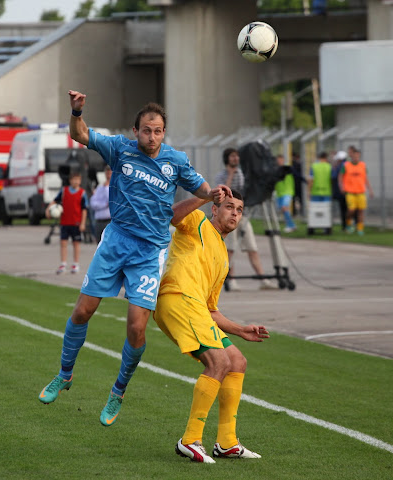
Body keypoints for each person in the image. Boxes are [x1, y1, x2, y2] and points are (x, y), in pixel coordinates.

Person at [38, 90, 230, 427]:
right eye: (146, 130)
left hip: (149, 253)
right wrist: (76, 110)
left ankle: (118, 391)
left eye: (158, 131)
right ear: (135, 131)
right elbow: (79, 134)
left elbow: (199, 187)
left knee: (137, 328)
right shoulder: (119, 149)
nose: (152, 136)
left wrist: (212, 193)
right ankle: (64, 374)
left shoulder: (176, 161)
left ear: (163, 133)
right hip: (115, 242)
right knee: (83, 310)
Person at [152, 190, 269, 463]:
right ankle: (190, 440)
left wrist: (240, 329)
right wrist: (205, 196)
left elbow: (211, 309)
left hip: (197, 309)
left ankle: (227, 443)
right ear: (215, 210)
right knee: (218, 362)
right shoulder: (198, 222)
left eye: (239, 209)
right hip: (177, 299)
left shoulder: (224, 258)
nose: (235, 213)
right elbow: (170, 215)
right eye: (229, 207)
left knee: (236, 361)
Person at [214, 148, 277, 291]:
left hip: (242, 216)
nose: (235, 159)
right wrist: (230, 176)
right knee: (230, 249)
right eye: (232, 156)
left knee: (252, 248)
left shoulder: (243, 175)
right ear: (227, 159)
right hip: (227, 218)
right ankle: (230, 279)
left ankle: (263, 279)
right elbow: (224, 194)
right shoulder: (221, 176)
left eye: (237, 156)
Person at [46, 171, 88, 274]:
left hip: (76, 222)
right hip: (65, 222)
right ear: (70, 181)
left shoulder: (82, 193)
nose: (76, 181)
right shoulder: (64, 191)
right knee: (63, 243)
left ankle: (75, 264)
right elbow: (55, 201)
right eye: (74, 179)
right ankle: (63, 263)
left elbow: (84, 209)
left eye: (78, 180)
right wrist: (48, 209)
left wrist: (82, 223)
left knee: (76, 243)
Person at [338, 145, 374, 235]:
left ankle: (360, 228)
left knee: (361, 210)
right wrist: (341, 187)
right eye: (355, 156)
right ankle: (349, 224)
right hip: (350, 192)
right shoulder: (346, 165)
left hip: (361, 191)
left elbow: (365, 178)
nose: (356, 157)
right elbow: (340, 177)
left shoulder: (362, 165)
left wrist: (370, 190)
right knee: (351, 210)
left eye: (358, 156)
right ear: (352, 156)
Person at [89, 164, 112, 242]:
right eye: (107, 172)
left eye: (110, 173)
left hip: (109, 221)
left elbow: (110, 200)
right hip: (99, 221)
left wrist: (106, 188)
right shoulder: (99, 187)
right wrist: (104, 205)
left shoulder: (115, 187)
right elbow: (93, 203)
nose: (108, 175)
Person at [274, 154, 296, 233]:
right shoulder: (276, 169)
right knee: (283, 210)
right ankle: (292, 225)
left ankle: (290, 225)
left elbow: (292, 171)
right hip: (280, 193)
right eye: (278, 160)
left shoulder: (287, 168)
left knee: (284, 207)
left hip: (287, 192)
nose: (279, 161)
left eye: (280, 159)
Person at [331, 150, 348, 231]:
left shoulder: (341, 166)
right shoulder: (346, 164)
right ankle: (347, 225)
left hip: (340, 190)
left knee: (344, 209)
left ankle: (345, 226)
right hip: (346, 190)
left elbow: (334, 176)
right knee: (347, 208)